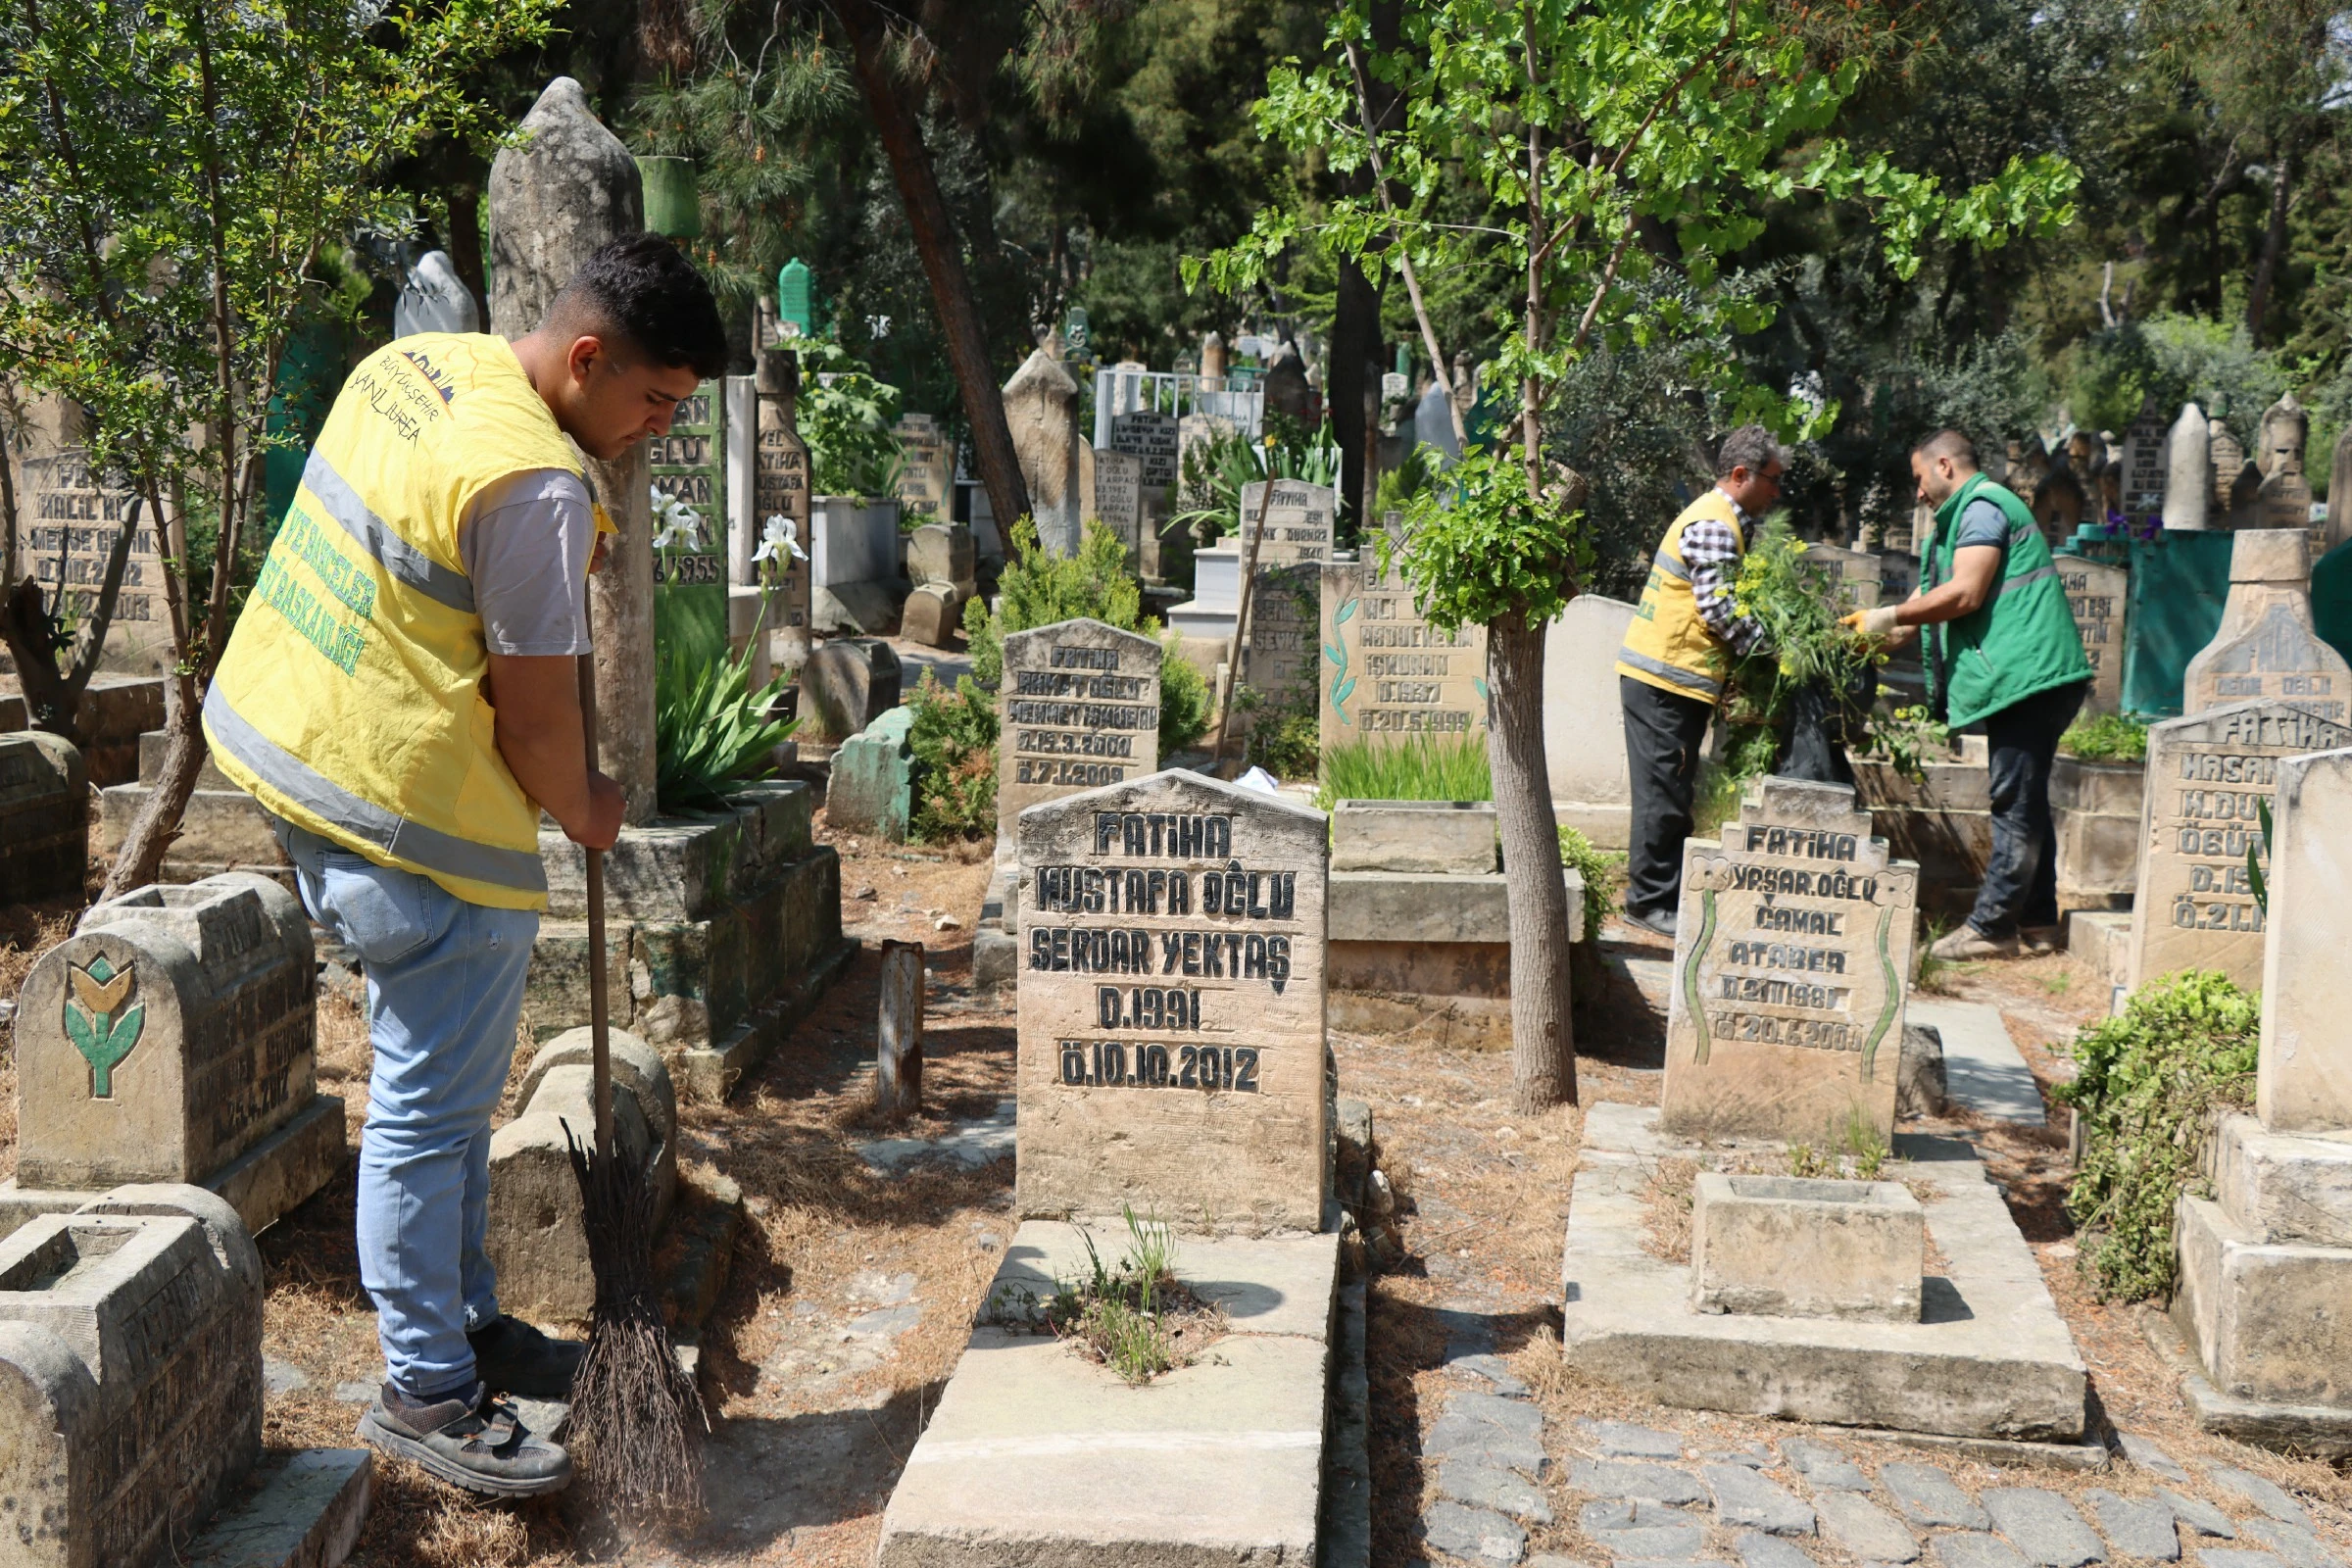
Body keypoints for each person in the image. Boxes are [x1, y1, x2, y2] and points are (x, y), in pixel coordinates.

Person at [204, 234, 728, 1495]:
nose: (654, 430)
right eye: (652, 400)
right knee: (433, 1104)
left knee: (441, 1082)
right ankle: (426, 1388)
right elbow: (538, 727)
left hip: (293, 742)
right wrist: (596, 811)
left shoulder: (426, 366)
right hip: (403, 806)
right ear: (588, 356)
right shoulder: (538, 486)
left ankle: (471, 1320)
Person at [1844, 428, 2093, 959]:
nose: (1918, 493)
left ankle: (1992, 927)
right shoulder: (1958, 523)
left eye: (1919, 480)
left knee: (2013, 800)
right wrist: (1854, 642)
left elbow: (1964, 593)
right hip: (2029, 677)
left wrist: (1885, 613)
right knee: (2026, 798)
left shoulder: (1982, 508)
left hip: (2030, 677)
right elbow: (1911, 619)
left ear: (1944, 466)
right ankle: (2038, 920)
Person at [1614, 425, 1784, 940]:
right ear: (1740, 474)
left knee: (1672, 791)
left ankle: (1657, 897)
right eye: (1774, 481)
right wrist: (1774, 651)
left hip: (1674, 679)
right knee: (1663, 795)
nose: (1779, 493)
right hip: (1665, 679)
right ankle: (1647, 903)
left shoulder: (1723, 521)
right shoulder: (1713, 522)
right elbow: (1719, 608)